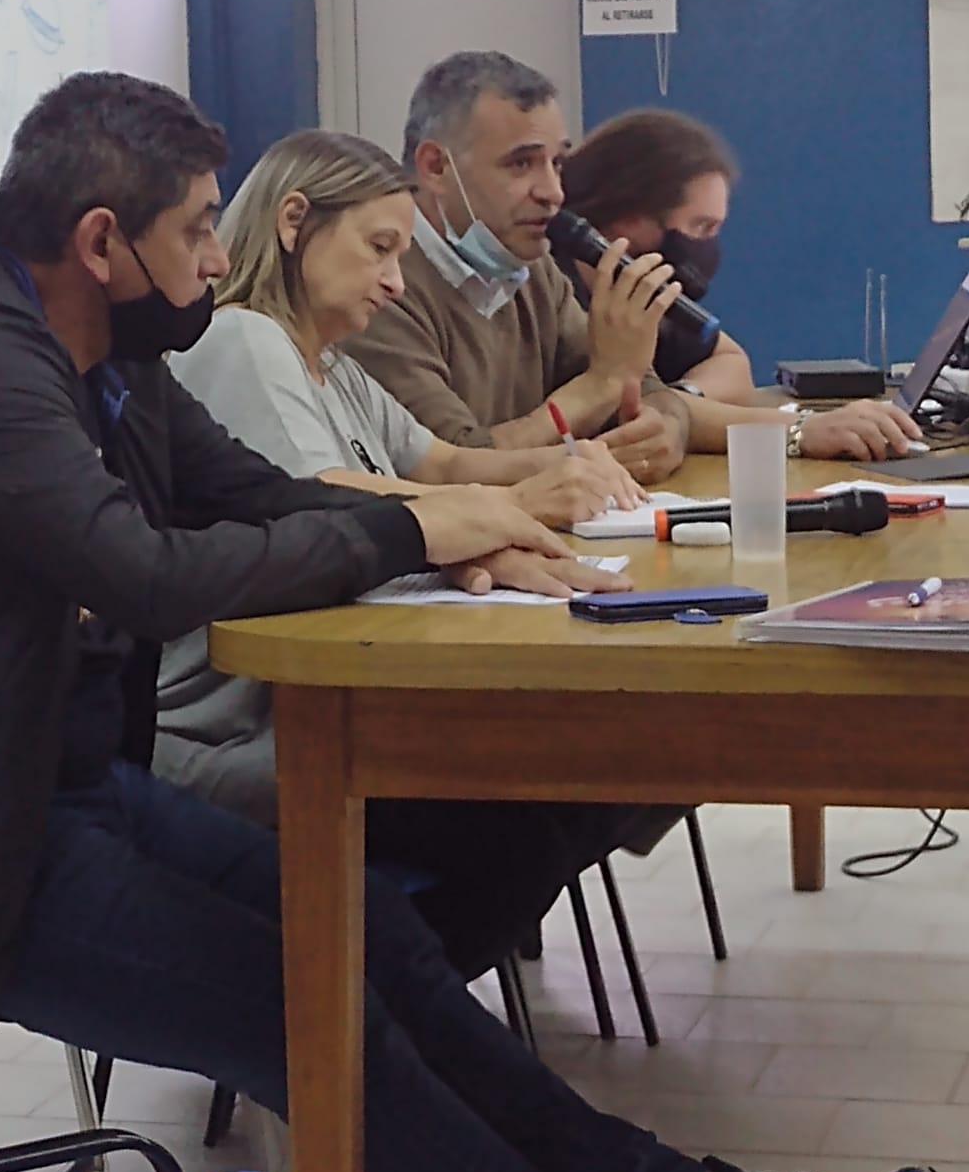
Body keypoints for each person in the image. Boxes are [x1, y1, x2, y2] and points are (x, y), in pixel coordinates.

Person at [0, 71, 936, 1172]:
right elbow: (144, 576)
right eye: (197, 229)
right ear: (102, 242)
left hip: (56, 785)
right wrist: (411, 523)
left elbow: (252, 491)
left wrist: (446, 543)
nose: (214, 255)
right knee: (298, 1001)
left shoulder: (107, 350)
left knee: (368, 931)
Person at [158, 127, 652, 982]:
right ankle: (354, 1008)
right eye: (380, 249)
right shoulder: (244, 340)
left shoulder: (333, 364)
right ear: (294, 222)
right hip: (236, 724)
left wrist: (564, 465)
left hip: (330, 696)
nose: (395, 280)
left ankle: (387, 1007)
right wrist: (499, 515)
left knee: (574, 790)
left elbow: (445, 464)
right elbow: (321, 502)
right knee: (532, 815)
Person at [347, 51, 924, 469]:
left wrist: (667, 426)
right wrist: (602, 384)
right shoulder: (379, 290)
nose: (552, 192)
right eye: (521, 165)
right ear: (435, 167)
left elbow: (646, 393)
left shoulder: (529, 267)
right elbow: (459, 463)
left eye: (556, 163)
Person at [554, 108, 753, 402]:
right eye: (701, 226)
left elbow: (732, 362)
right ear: (628, 219)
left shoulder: (645, 293)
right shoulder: (545, 292)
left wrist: (681, 399)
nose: (709, 245)